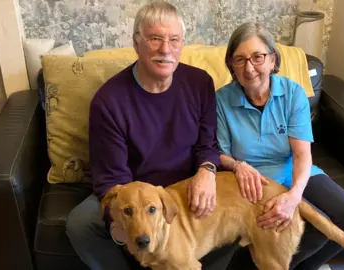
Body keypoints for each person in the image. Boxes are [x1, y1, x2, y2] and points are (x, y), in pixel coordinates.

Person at [65, 2, 239, 269]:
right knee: (81, 223)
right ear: (137, 43)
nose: (165, 49)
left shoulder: (200, 83)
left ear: (182, 44)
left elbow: (208, 144)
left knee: (223, 207)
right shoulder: (108, 101)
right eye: (155, 39)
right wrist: (133, 219)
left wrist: (207, 170)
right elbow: (112, 178)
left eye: (173, 40)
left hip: (185, 187)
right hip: (134, 192)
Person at [216, 22, 344, 270]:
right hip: (253, 182)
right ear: (231, 64)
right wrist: (238, 165)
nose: (249, 67)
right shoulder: (221, 99)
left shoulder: (293, 93)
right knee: (305, 225)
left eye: (257, 57)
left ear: (273, 59)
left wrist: (294, 196)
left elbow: (301, 154)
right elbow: (220, 153)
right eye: (239, 59)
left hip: (290, 169)